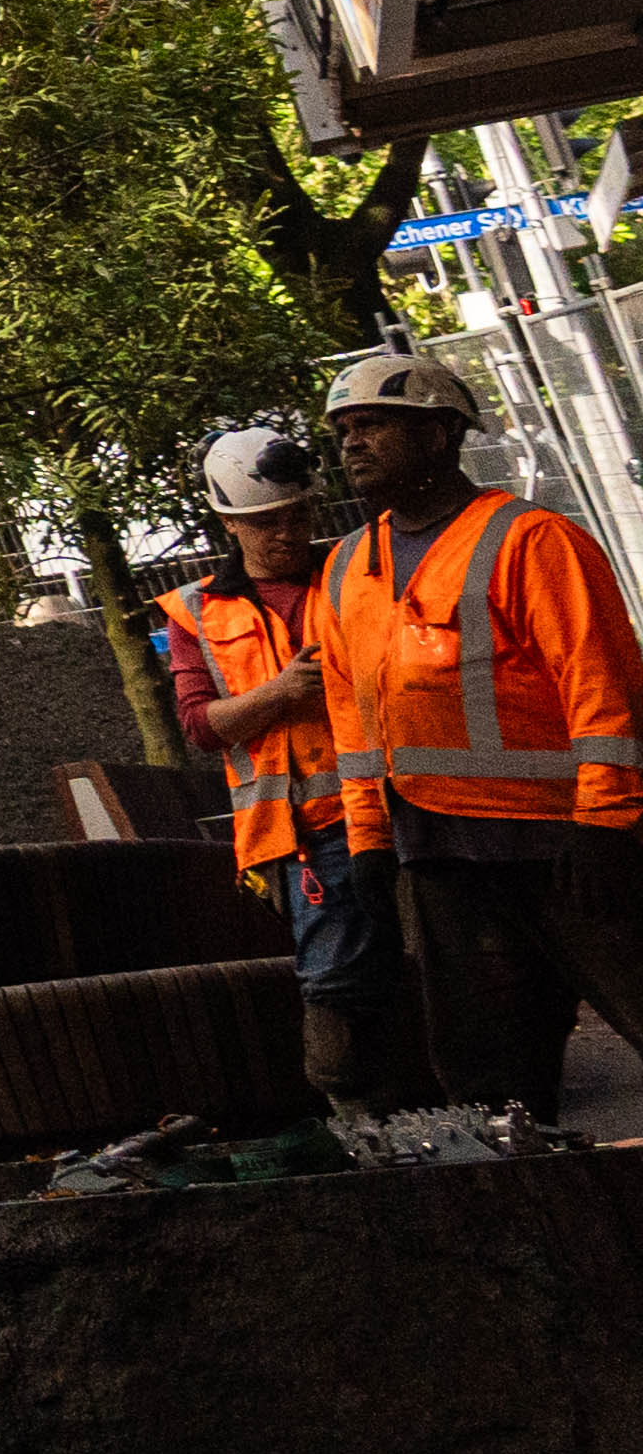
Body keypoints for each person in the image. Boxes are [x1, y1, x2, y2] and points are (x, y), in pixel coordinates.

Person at [313, 340, 643, 1113]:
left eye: (375, 424)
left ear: (439, 435)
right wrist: (366, 838)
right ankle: (545, 1221)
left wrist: (607, 823)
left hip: (564, 847)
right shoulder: (347, 569)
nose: (353, 442)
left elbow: (606, 689)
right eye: (345, 429)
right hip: (441, 857)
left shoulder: (530, 541)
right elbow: (353, 720)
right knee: (490, 1079)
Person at [159, 421, 413, 1102]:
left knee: (422, 962)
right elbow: (199, 727)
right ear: (230, 524)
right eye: (267, 521)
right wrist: (280, 694)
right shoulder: (197, 612)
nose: (287, 532)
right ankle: (352, 1107)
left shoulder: (357, 572)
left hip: (402, 801)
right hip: (303, 830)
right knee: (334, 976)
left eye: (298, 515)